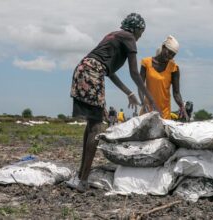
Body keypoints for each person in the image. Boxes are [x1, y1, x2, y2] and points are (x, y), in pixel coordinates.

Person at [70, 13, 157, 192]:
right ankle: (83, 181)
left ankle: (81, 176)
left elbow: (110, 72)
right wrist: (149, 98)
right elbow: (134, 73)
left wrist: (129, 93)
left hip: (82, 69)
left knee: (91, 124)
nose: (140, 36)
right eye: (141, 32)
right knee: (96, 127)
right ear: (137, 29)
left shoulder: (113, 36)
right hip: (93, 72)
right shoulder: (129, 37)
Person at [138, 35, 189, 121]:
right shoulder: (146, 63)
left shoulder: (174, 68)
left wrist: (182, 107)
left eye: (173, 55)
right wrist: (143, 103)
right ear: (163, 47)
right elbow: (140, 86)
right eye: (169, 52)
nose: (170, 56)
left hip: (164, 113)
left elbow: (176, 93)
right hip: (147, 111)